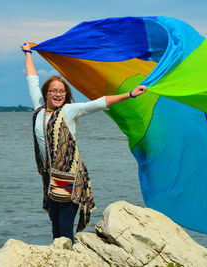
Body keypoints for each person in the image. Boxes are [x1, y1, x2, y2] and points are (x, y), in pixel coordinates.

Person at [21, 42, 146, 244]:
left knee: (64, 227)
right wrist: (28, 53)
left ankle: (68, 258)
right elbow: (32, 80)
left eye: (61, 91)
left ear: (66, 94)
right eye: (53, 91)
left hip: (71, 176)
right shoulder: (39, 110)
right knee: (54, 224)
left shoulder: (70, 111)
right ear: (46, 93)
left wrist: (130, 94)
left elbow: (98, 103)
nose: (58, 94)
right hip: (50, 176)